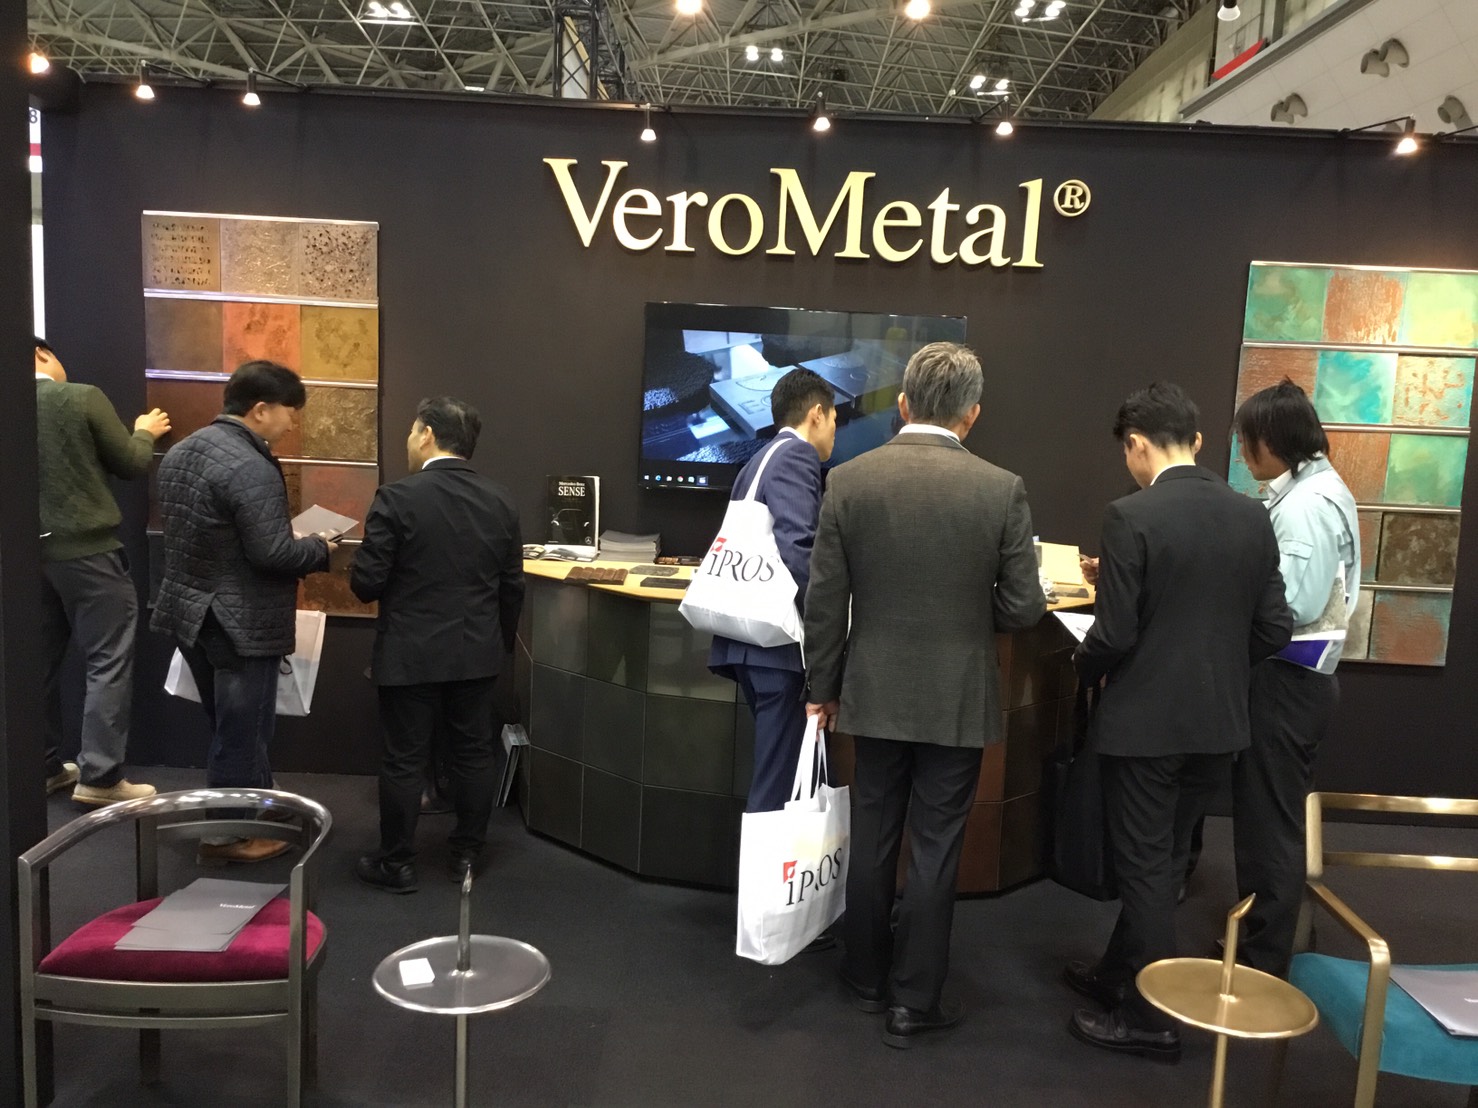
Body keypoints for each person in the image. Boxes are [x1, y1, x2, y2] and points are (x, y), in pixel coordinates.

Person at [805, 341, 1045, 1048]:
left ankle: (863, 977)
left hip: (873, 690)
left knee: (873, 834)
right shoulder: (1001, 488)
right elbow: (1023, 606)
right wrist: (971, 612)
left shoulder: (848, 480)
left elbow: (825, 602)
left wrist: (822, 687)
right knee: (937, 848)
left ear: (904, 404)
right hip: (957, 696)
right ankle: (914, 1001)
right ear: (972, 414)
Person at [1067, 382, 1291, 1062]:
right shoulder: (1251, 515)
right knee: (1165, 859)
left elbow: (1114, 634)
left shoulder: (1130, 516)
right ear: (1194, 439)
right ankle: (1117, 974)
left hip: (1144, 725)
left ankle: (1151, 1019)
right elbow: (1275, 627)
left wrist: (1083, 665)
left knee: (1144, 866)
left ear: (1136, 444)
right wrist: (1216, 666)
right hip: (1218, 723)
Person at [151, 360, 333, 864]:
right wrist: (320, 548)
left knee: (229, 724)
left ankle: (254, 810)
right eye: (290, 413)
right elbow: (273, 553)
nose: (292, 424)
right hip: (240, 620)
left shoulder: (183, 452)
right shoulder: (251, 464)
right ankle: (228, 837)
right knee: (243, 731)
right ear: (260, 409)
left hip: (191, 612)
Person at [350, 397, 525, 892]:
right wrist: (499, 642)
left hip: (409, 652)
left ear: (427, 434)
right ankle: (466, 857)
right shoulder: (500, 500)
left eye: (412, 431)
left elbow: (366, 584)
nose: (408, 439)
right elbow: (512, 586)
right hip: (476, 650)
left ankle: (397, 864)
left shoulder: (396, 498)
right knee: (473, 754)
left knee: (404, 759)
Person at [1231, 380, 1359, 977]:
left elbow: (1294, 606)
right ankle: (1270, 941)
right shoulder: (1319, 489)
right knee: (1276, 817)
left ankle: (1263, 960)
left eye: (1246, 441)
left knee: (1270, 824)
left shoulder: (1307, 504)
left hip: (1286, 681)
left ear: (1270, 440)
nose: (1243, 453)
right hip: (1300, 683)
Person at [35, 337, 169, 806]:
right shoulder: (80, 397)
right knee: (108, 660)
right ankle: (101, 776)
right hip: (88, 552)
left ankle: (42, 767)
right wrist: (144, 432)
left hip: (27, 558)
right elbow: (131, 463)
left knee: (38, 664)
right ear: (41, 354)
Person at [709, 367, 837, 813]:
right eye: (835, 418)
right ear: (816, 414)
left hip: (747, 645)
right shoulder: (798, 456)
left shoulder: (758, 458)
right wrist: (824, 635)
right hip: (778, 651)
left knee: (776, 779)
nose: (835, 430)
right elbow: (799, 551)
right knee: (775, 790)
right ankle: (761, 865)